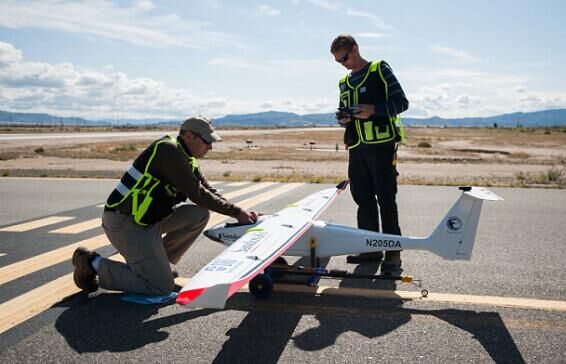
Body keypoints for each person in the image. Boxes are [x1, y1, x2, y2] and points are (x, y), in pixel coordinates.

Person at [72, 116, 258, 295]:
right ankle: (91, 263)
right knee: (160, 287)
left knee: (198, 214)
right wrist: (235, 213)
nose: (210, 147)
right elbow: (198, 194)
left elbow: (206, 189)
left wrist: (239, 211)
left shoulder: (186, 157)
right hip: (126, 223)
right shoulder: (169, 151)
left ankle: (158, 264)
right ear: (188, 136)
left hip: (148, 219)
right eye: (206, 141)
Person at [330, 34, 409, 273]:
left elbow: (402, 103)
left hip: (381, 146)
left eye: (344, 57)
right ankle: (370, 248)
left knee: (386, 198)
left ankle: (393, 252)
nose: (343, 63)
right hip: (357, 148)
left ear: (355, 49)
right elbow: (348, 113)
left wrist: (373, 110)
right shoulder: (344, 81)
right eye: (338, 61)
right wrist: (344, 119)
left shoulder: (379, 69)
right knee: (362, 199)